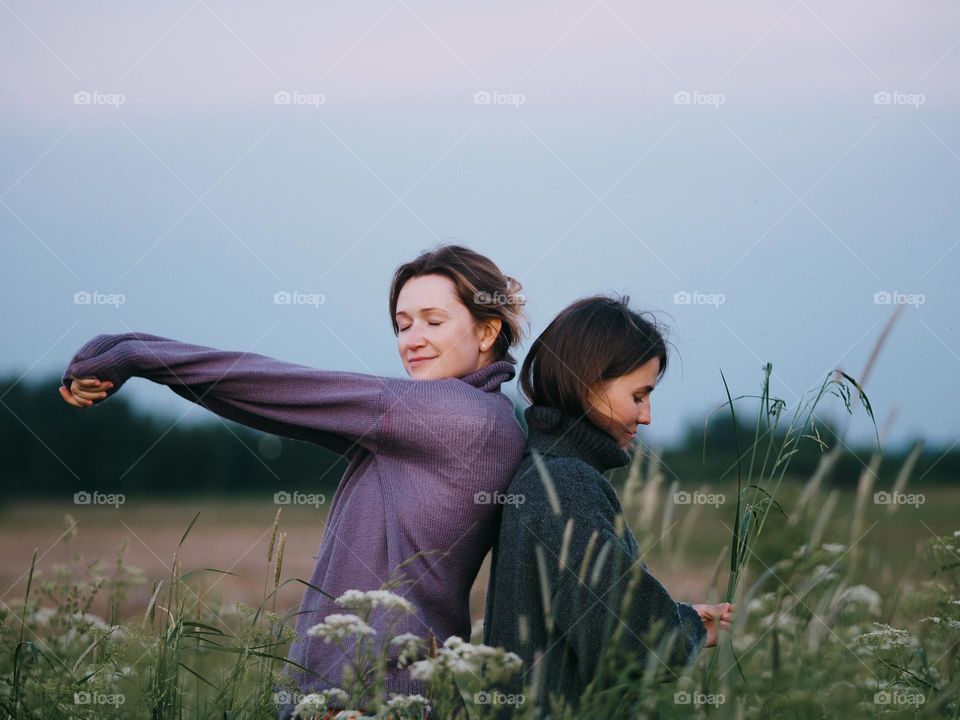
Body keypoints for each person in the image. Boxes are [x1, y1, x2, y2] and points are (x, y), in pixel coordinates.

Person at [60, 245, 528, 714]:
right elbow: (276, 403)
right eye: (403, 325)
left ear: (487, 330)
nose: (412, 339)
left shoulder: (458, 417)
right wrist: (135, 356)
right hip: (372, 695)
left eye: (433, 321)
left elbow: (284, 387)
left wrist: (136, 353)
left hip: (372, 699)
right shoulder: (465, 421)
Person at [483, 295, 733, 708]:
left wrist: (686, 621)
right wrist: (683, 629)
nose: (647, 415)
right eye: (639, 396)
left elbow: (592, 611)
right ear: (588, 383)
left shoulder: (543, 472)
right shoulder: (566, 483)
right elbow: (628, 646)